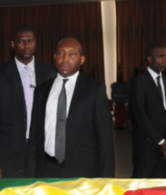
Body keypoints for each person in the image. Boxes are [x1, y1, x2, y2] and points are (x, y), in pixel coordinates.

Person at [26, 37, 114, 178]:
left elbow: (105, 141)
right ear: (54, 57)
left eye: (72, 54)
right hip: (46, 169)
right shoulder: (42, 90)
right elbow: (34, 137)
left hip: (82, 171)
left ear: (82, 59)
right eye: (61, 54)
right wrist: (29, 175)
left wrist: (106, 180)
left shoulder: (94, 89)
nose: (65, 59)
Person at [0, 25, 56, 178]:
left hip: (40, 150)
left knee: (38, 194)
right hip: (9, 151)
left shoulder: (49, 73)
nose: (26, 45)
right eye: (21, 41)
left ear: (36, 43)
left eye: (30, 41)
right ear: (13, 45)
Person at [128, 42, 166, 178]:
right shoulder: (139, 82)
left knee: (162, 185)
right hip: (147, 145)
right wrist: (161, 142)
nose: (165, 60)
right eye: (160, 56)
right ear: (150, 59)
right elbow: (140, 115)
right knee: (143, 184)